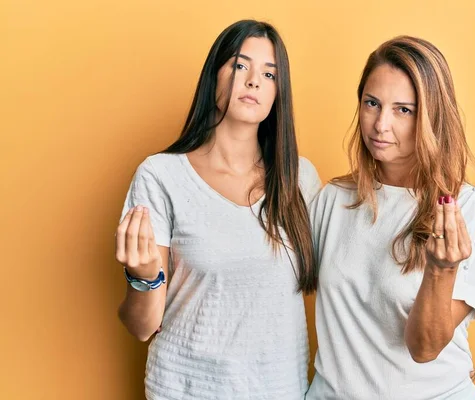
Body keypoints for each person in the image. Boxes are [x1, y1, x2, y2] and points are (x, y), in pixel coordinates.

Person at [115, 19, 321, 400]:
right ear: (215, 75)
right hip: (184, 388)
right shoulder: (160, 175)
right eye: (240, 65)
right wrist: (143, 276)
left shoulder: (300, 179)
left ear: (279, 91)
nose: (254, 80)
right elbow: (142, 326)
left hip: (280, 389)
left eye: (270, 74)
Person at [306, 36, 475, 400]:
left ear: (432, 118)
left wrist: (441, 269)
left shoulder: (464, 209)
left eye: (403, 110)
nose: (380, 125)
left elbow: (424, 348)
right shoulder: (332, 200)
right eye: (372, 104)